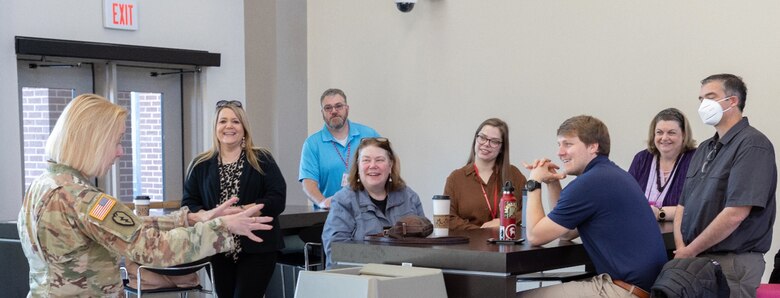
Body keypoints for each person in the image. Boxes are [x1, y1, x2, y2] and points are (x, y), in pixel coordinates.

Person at [17, 94, 272, 297]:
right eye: (117, 141)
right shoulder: (82, 198)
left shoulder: (44, 184)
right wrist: (222, 226)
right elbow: (154, 248)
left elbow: (126, 226)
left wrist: (194, 219)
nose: (120, 152)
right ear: (93, 141)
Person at [519, 115, 667, 297]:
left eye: (568, 144)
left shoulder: (590, 183)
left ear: (593, 146)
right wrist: (552, 183)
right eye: (559, 145)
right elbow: (566, 232)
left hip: (624, 290)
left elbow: (535, 236)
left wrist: (533, 182)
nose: (560, 152)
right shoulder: (611, 174)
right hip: (642, 288)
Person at [674, 74, 777, 297]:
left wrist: (690, 250)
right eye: (701, 99)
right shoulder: (703, 149)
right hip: (695, 260)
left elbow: (735, 213)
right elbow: (683, 205)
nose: (703, 105)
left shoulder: (753, 145)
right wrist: (683, 249)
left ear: (732, 101)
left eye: (710, 97)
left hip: (731, 263)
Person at [182, 99, 286, 297]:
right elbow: (189, 203)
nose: (229, 126)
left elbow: (278, 197)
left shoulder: (262, 158)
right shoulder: (200, 164)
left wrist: (248, 210)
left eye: (235, 121)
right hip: (216, 246)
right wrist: (209, 215)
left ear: (244, 128)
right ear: (215, 127)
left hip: (257, 246)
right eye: (223, 121)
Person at [321, 137, 425, 267]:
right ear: (358, 166)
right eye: (366, 160)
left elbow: (425, 242)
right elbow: (336, 251)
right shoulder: (343, 201)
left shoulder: (409, 197)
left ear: (390, 165)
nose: (372, 166)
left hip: (405, 277)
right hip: (359, 279)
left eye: (379, 160)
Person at [299, 88, 380, 209]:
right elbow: (308, 182)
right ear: (322, 112)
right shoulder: (312, 144)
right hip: (331, 215)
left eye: (338, 106)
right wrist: (322, 202)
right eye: (328, 108)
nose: (334, 111)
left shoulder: (369, 135)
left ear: (347, 108)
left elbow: (385, 168)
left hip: (369, 212)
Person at [444, 118, 527, 230]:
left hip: (507, 245)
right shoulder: (456, 178)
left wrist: (503, 222)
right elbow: (447, 218)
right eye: (482, 137)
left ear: (502, 148)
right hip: (468, 245)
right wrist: (481, 232)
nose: (486, 144)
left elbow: (529, 212)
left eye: (494, 141)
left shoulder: (514, 175)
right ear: (475, 139)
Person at [628, 108, 697, 222]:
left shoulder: (696, 159)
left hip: (680, 233)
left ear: (684, 134)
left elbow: (698, 208)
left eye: (671, 133)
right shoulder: (642, 159)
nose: (664, 138)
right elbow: (627, 197)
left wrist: (660, 213)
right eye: (659, 132)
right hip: (640, 229)